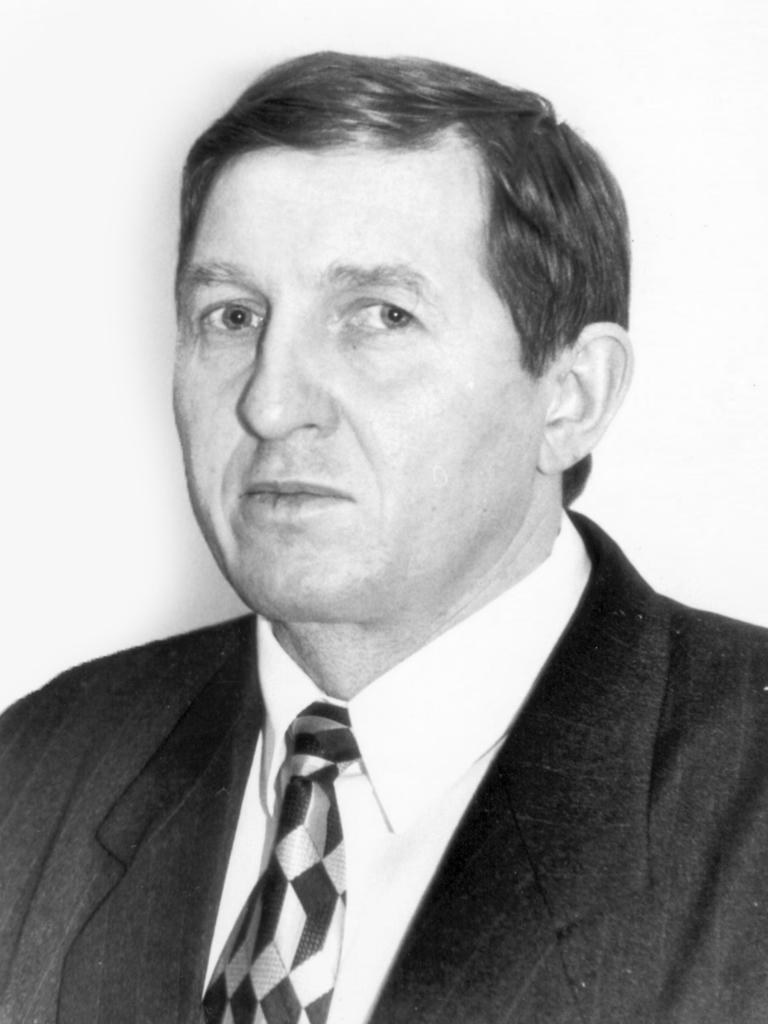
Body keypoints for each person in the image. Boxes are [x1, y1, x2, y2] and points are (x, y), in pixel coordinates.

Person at [1, 51, 767, 1024]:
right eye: (231, 316)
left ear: (572, 397)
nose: (270, 403)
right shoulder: (37, 765)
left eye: (380, 317)